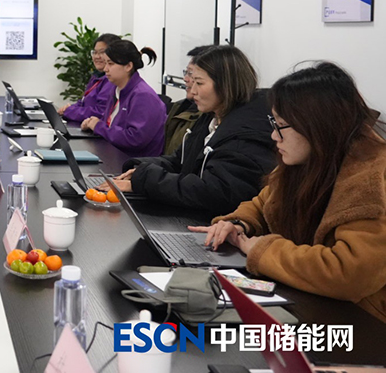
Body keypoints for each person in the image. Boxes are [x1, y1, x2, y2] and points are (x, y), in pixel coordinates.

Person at [191, 63, 386, 322]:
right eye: (274, 123)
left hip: (362, 322)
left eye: (281, 125)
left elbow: (351, 274)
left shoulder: (371, 177)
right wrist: (238, 223)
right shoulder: (310, 159)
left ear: (317, 126)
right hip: (310, 299)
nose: (274, 135)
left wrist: (264, 251)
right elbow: (264, 203)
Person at [106, 45, 276, 213]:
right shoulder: (211, 117)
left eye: (199, 83)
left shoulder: (246, 133)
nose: (192, 91)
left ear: (226, 85)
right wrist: (139, 168)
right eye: (192, 81)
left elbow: (213, 192)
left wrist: (145, 180)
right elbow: (180, 161)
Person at [81, 40, 166, 157]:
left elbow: (134, 139)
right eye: (106, 63)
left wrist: (98, 127)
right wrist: (93, 123)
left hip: (132, 161)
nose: (105, 69)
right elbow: (111, 124)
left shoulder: (143, 95)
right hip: (112, 153)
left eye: (110, 64)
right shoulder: (117, 89)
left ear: (128, 66)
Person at [58, 33, 120, 123]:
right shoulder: (97, 76)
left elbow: (99, 112)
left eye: (102, 52)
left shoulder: (111, 80)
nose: (97, 56)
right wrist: (69, 108)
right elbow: (83, 102)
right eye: (95, 52)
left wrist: (69, 111)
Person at [163, 45, 210, 154]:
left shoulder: (207, 117)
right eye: (186, 72)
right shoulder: (179, 106)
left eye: (191, 74)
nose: (185, 79)